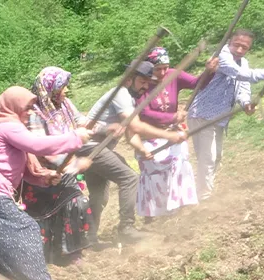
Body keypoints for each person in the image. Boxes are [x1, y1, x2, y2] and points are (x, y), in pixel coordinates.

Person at [0, 86, 92, 280]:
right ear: (13, 106)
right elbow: (38, 145)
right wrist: (75, 138)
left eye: (33, 107)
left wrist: (44, 177)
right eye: (27, 107)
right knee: (28, 229)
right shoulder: (5, 126)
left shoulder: (11, 127)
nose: (31, 112)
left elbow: (22, 171)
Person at [77, 60, 187, 243]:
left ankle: (88, 237)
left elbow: (130, 131)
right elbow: (136, 125)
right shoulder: (120, 94)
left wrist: (142, 149)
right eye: (142, 81)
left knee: (99, 195)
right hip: (92, 147)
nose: (145, 86)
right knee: (129, 178)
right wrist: (169, 136)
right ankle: (126, 228)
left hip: (94, 148)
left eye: (147, 82)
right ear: (130, 79)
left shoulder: (129, 99)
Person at [188, 30, 264, 200]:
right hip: (202, 114)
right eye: (236, 45)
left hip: (220, 118)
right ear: (230, 42)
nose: (239, 49)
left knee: (216, 157)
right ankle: (204, 194)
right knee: (208, 156)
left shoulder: (243, 63)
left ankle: (201, 190)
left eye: (244, 47)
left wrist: (245, 103)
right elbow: (237, 73)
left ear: (248, 49)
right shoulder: (221, 57)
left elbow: (243, 88)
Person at [133, 47, 217, 220]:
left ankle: (179, 204)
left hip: (172, 133)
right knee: (154, 169)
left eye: (165, 67)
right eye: (158, 69)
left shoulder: (173, 74)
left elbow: (196, 84)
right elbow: (144, 112)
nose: (163, 72)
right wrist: (172, 117)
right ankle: (153, 212)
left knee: (179, 161)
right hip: (149, 135)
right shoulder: (143, 82)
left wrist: (208, 72)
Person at [22, 67, 94, 266]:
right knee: (47, 214)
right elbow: (42, 149)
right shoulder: (35, 113)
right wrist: (74, 163)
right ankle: (48, 256)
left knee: (76, 203)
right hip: (43, 174)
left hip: (65, 169)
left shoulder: (64, 105)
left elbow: (82, 121)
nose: (67, 91)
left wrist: (101, 126)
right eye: (63, 87)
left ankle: (70, 251)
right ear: (50, 89)